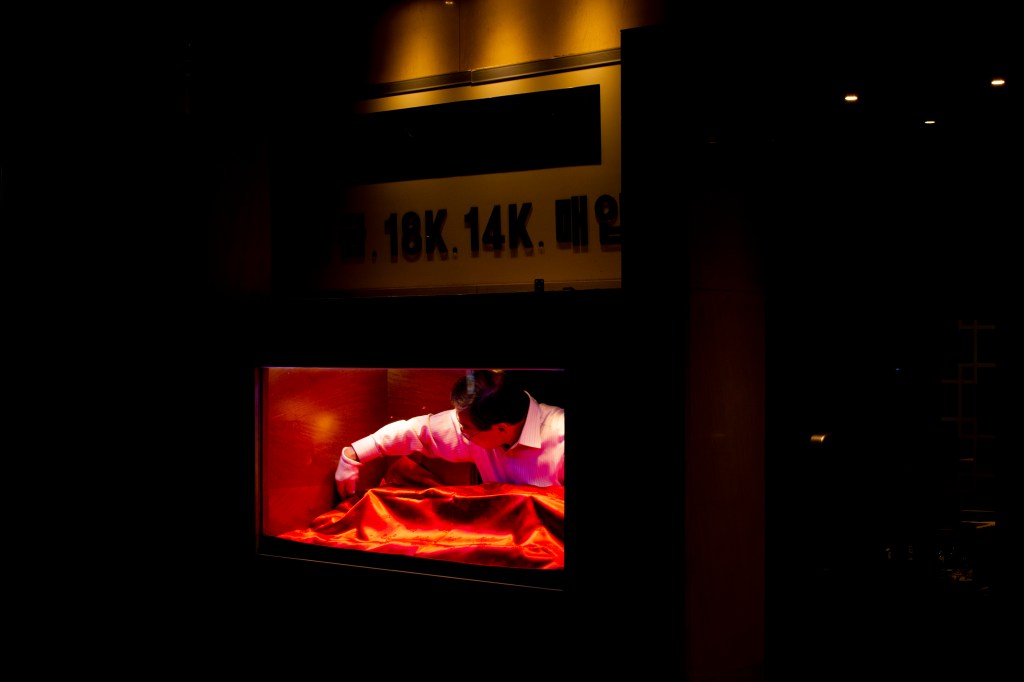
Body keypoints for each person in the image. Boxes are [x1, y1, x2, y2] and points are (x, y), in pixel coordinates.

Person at [334, 369, 564, 498]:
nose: (461, 431)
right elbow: (417, 431)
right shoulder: (477, 421)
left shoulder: (561, 436)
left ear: (501, 428)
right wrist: (354, 454)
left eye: (467, 430)